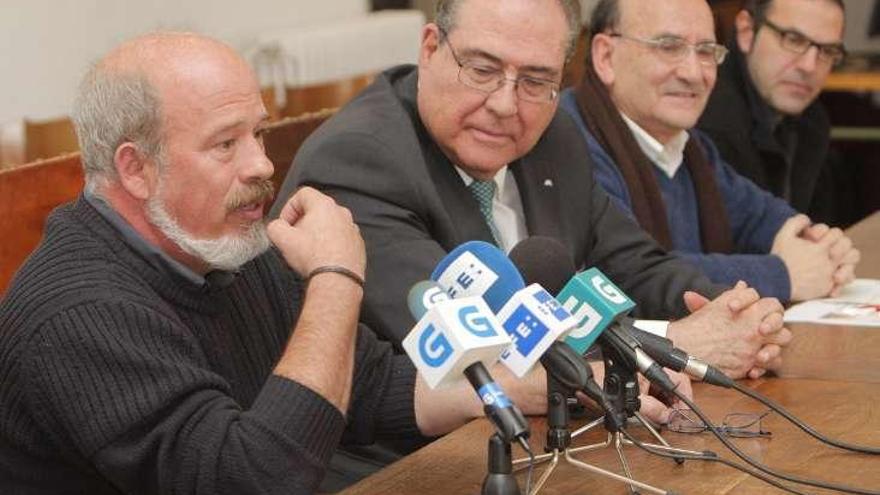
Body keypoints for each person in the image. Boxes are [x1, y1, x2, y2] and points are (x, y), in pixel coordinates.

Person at [0, 33, 551, 494]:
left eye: (259, 133)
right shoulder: (78, 313)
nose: (262, 164)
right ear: (137, 169)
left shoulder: (228, 241)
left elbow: (369, 385)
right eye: (225, 145)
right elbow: (254, 480)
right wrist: (334, 279)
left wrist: (499, 390)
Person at [277, 0, 790, 380]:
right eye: (482, 69)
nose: (506, 103)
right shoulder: (360, 161)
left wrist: (732, 314)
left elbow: (636, 264)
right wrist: (673, 344)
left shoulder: (553, 133)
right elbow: (476, 356)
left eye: (535, 80)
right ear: (430, 48)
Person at [559, 0, 859, 303]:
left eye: (705, 51)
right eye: (669, 47)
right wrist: (784, 275)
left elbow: (757, 214)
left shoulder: (690, 146)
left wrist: (815, 244)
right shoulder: (568, 143)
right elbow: (627, 273)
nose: (693, 72)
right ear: (606, 57)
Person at [697, 0, 846, 224]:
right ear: (747, 31)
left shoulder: (812, 120)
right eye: (793, 39)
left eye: (827, 51)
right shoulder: (705, 121)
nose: (809, 66)